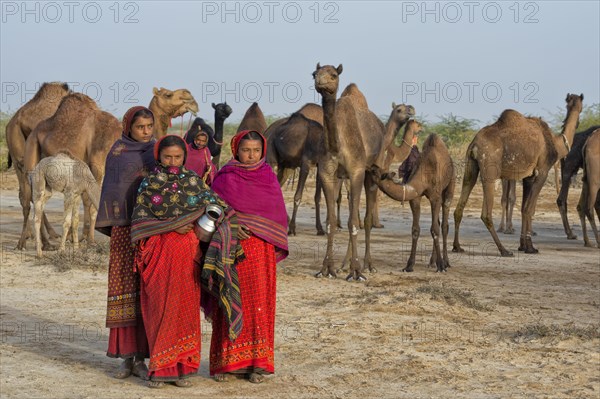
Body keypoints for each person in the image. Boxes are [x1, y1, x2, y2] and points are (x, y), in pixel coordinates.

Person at [130, 135, 242, 389]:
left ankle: (182, 368)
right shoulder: (149, 184)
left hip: (187, 258)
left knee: (184, 310)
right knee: (160, 309)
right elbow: (140, 223)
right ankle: (159, 368)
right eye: (167, 156)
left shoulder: (193, 182)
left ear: (184, 157)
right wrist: (171, 227)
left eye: (177, 157)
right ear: (158, 156)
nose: (172, 161)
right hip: (160, 255)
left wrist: (206, 224)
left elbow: (219, 207)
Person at [209, 130, 289, 384]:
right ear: (236, 150)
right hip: (231, 251)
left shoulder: (268, 177)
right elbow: (212, 209)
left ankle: (258, 364)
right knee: (230, 297)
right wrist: (230, 225)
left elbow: (276, 215)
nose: (251, 155)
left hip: (261, 251)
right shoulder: (225, 177)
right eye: (246, 150)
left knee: (258, 305)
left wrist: (255, 228)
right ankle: (226, 362)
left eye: (256, 150)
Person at [95, 106, 155, 380]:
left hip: (151, 231)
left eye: (149, 127)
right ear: (129, 126)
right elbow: (113, 190)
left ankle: (142, 358)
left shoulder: (157, 152)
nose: (145, 132)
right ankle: (126, 357)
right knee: (123, 289)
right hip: (123, 230)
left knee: (147, 289)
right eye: (140, 127)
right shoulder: (117, 153)